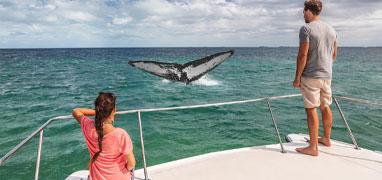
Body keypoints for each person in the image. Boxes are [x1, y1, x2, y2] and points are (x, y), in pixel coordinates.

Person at [293, 0, 337, 156]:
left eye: (304, 11)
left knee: (311, 108)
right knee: (325, 106)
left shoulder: (306, 29)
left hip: (311, 75)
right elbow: (333, 54)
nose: (303, 14)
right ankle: (326, 138)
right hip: (327, 75)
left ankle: (313, 148)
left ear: (308, 11)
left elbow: (302, 55)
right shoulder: (332, 30)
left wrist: (297, 77)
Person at [72, 92, 136, 179]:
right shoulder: (121, 134)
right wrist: (126, 169)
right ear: (113, 111)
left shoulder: (87, 126)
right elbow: (131, 164)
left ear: (98, 110)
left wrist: (98, 113)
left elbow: (76, 111)